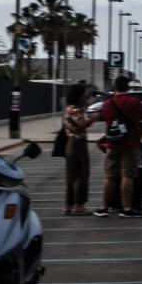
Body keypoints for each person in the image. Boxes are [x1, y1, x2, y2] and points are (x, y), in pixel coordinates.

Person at [94, 76, 142, 218]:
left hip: (112, 143)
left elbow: (104, 118)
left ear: (114, 87)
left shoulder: (107, 103)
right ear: (127, 87)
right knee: (127, 176)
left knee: (110, 176)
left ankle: (105, 207)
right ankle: (127, 208)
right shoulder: (135, 102)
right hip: (130, 143)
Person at [62, 84, 94, 215]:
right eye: (84, 93)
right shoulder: (74, 109)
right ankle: (78, 206)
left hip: (71, 143)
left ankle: (69, 205)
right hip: (77, 143)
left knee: (71, 175)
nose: (86, 96)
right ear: (79, 95)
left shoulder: (69, 108)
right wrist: (94, 118)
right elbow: (81, 124)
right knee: (82, 174)